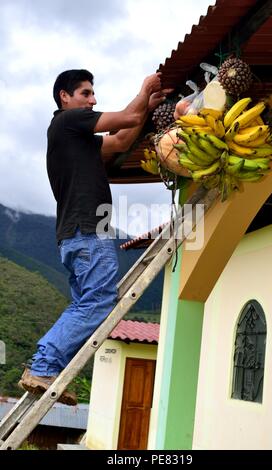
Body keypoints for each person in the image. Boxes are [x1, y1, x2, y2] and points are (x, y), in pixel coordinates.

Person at [18, 69, 171, 405]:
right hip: (88, 233)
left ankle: (47, 368)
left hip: (76, 237)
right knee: (97, 302)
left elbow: (120, 140)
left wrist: (147, 106)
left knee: (84, 304)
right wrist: (144, 90)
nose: (93, 100)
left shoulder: (76, 140)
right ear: (65, 97)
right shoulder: (66, 122)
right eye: (86, 93)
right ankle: (43, 367)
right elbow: (128, 116)